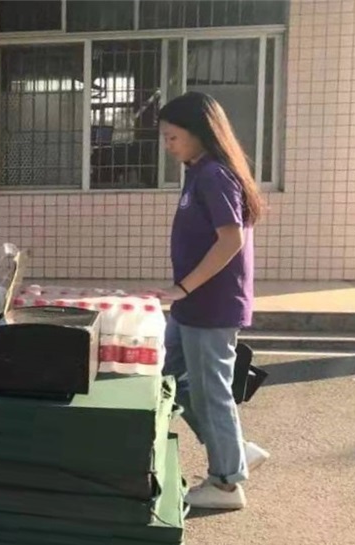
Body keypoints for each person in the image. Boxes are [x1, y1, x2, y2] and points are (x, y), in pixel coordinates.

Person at [152, 91, 271, 510]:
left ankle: (225, 484)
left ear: (200, 132)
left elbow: (230, 240)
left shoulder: (215, 175)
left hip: (210, 307)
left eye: (172, 137)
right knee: (169, 376)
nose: (168, 146)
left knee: (209, 391)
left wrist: (183, 288)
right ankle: (235, 451)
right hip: (191, 307)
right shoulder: (198, 171)